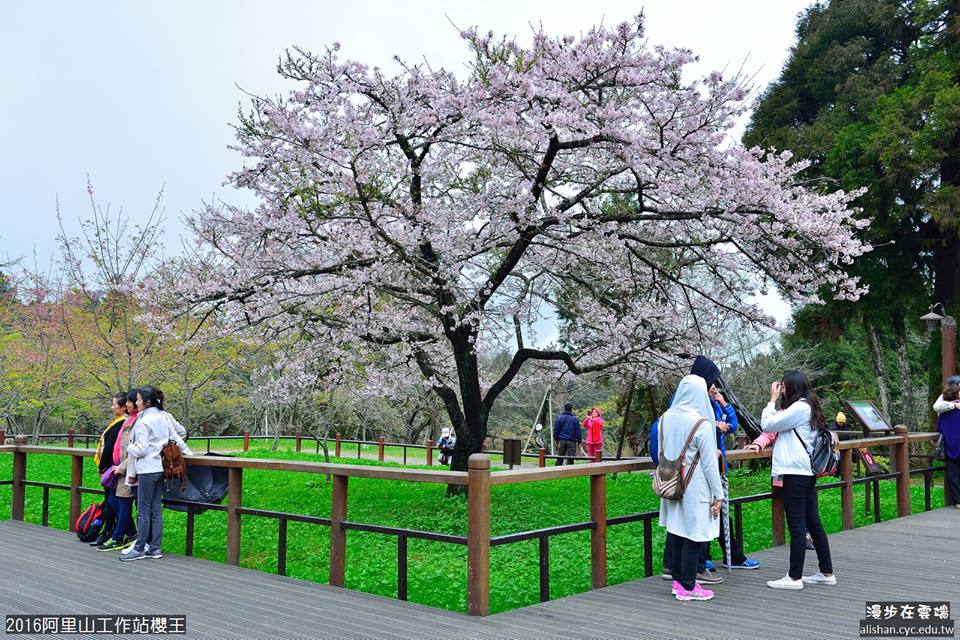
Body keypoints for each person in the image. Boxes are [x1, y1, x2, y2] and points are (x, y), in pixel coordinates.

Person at [761, 371, 835, 590]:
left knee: (797, 526)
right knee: (813, 523)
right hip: (806, 473)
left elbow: (768, 424)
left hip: (795, 473)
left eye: (783, 386)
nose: (781, 389)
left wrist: (771, 401)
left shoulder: (799, 408)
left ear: (792, 386)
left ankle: (794, 578)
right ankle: (826, 572)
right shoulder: (809, 406)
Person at [658, 375, 724, 601]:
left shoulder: (666, 418)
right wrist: (719, 494)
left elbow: (661, 450)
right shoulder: (702, 424)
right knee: (694, 535)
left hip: (672, 482)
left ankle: (678, 582)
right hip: (695, 487)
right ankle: (688, 587)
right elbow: (709, 464)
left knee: (676, 531)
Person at [119, 386, 192, 562]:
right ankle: (154, 548)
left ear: (147, 402)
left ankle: (139, 548)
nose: (136, 402)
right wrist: (189, 453)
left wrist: (130, 447)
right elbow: (176, 437)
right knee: (156, 510)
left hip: (146, 469)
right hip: (160, 469)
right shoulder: (162, 417)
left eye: (137, 399)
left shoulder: (144, 422)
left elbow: (142, 448)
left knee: (143, 511)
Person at [99, 389, 140, 551]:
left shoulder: (138, 421)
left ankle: (118, 537)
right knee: (114, 502)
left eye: (130, 402)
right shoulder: (129, 420)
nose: (128, 405)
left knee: (122, 503)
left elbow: (137, 448)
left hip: (127, 469)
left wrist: (120, 466)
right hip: (119, 468)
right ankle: (130, 533)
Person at [89, 392, 126, 547]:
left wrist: (103, 465)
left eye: (114, 404)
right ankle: (111, 531)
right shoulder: (118, 423)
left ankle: (111, 532)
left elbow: (110, 447)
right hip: (112, 467)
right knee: (111, 501)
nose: (112, 407)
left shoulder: (121, 424)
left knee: (112, 501)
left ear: (123, 407)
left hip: (112, 468)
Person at [935, 375, 960, 509]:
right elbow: (936, 406)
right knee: (954, 472)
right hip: (954, 443)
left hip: (951, 444)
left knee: (954, 472)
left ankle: (958, 501)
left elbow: (939, 427)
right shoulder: (946, 405)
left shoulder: (943, 410)